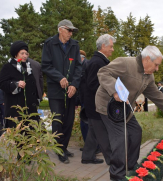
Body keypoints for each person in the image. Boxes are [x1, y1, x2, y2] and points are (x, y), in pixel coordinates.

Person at [95, 45, 163, 181]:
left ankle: (131, 165)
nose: (157, 69)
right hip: (109, 107)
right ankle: (117, 173)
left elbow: (155, 94)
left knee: (136, 132)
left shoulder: (149, 76)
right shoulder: (126, 63)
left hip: (126, 108)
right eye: (156, 65)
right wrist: (115, 91)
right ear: (148, 59)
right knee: (121, 138)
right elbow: (103, 72)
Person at [41, 19, 82, 164]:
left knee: (69, 120)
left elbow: (78, 67)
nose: (71, 33)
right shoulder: (49, 44)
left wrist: (75, 85)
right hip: (55, 90)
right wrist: (60, 78)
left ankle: (64, 147)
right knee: (57, 120)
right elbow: (45, 66)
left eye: (72, 31)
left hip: (71, 90)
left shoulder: (74, 45)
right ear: (60, 29)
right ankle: (59, 150)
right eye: (69, 30)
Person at [81, 34, 115, 165]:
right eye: (111, 46)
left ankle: (87, 157)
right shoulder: (97, 62)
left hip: (95, 103)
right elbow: (93, 84)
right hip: (96, 104)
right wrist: (111, 92)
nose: (112, 49)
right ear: (103, 46)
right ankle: (112, 161)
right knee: (102, 133)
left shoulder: (100, 61)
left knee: (94, 131)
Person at [0, 41, 43, 129]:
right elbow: (1, 83)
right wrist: (16, 84)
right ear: (15, 54)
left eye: (26, 53)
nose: (25, 56)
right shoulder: (8, 67)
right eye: (22, 53)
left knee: (31, 136)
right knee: (18, 136)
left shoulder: (29, 68)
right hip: (16, 110)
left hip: (30, 110)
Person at [78, 50, 89, 143]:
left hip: (87, 98)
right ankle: (88, 144)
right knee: (84, 121)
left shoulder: (86, 65)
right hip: (83, 98)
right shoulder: (82, 65)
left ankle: (91, 146)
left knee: (86, 122)